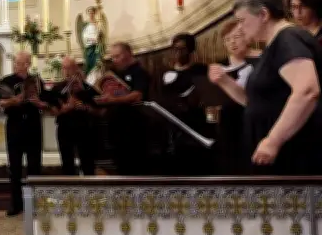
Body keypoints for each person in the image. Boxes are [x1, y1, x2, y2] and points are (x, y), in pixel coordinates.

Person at [209, 0, 322, 175]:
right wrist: (224, 81)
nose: (240, 28)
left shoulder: (287, 38)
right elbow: (256, 101)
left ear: (263, 14)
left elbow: (307, 91)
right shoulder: (274, 45)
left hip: (292, 152)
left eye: (242, 21)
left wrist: (273, 140)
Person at [0, 51, 47, 216]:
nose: (15, 65)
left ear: (27, 64)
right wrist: (14, 100)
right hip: (15, 125)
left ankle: (35, 204)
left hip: (32, 125)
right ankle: (16, 204)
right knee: (15, 167)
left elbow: (47, 102)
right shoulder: (7, 81)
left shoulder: (36, 81)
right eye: (15, 62)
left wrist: (38, 103)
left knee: (34, 165)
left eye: (18, 63)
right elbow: (1, 102)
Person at [160, 33, 212, 175]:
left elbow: (206, 97)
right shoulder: (165, 73)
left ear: (191, 50)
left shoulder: (201, 70)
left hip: (196, 126)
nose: (178, 53)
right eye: (175, 49)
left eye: (182, 49)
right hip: (173, 129)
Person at [96, 42, 151, 175]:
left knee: (135, 166)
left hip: (134, 127)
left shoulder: (139, 72)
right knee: (120, 165)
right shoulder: (115, 73)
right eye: (112, 57)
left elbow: (137, 95)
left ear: (128, 54)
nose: (114, 60)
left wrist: (113, 100)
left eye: (117, 56)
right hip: (117, 127)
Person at [212, 22, 259, 175]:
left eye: (236, 37)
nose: (232, 42)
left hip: (251, 121)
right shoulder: (218, 66)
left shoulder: (259, 61)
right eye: (227, 39)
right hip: (227, 123)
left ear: (247, 37)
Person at [48, 57, 100, 176]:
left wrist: (84, 106)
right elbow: (51, 111)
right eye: (64, 68)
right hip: (65, 129)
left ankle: (89, 186)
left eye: (69, 68)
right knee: (67, 163)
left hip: (84, 129)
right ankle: (69, 187)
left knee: (87, 163)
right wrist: (64, 109)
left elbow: (100, 110)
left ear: (76, 69)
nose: (66, 72)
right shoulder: (57, 88)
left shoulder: (86, 87)